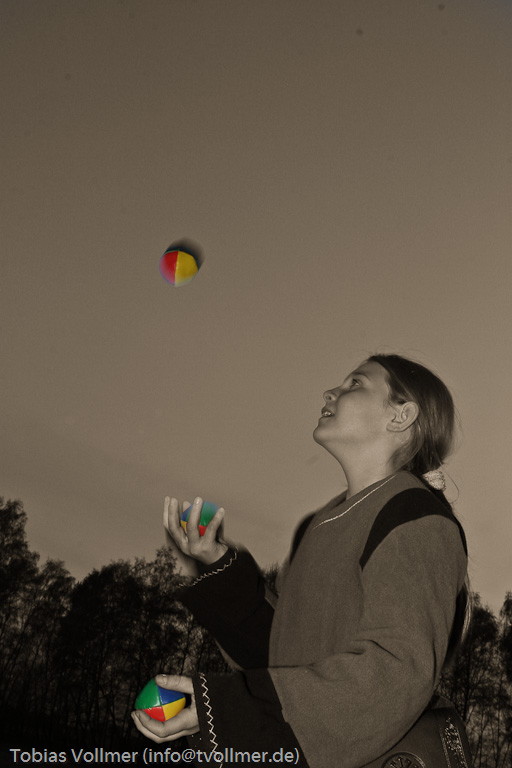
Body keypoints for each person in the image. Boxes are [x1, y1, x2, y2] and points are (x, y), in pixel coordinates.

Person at [132, 353, 472, 767]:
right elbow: (282, 656)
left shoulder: (413, 516)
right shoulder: (320, 524)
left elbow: (396, 673)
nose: (330, 392)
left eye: (356, 384)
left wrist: (233, 710)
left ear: (401, 416)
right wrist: (219, 563)